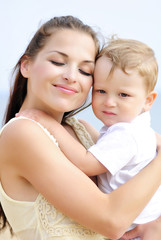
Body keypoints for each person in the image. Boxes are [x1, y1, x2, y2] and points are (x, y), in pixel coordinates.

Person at [1, 16, 161, 240]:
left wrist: (154, 223)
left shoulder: (82, 130)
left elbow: (137, 164)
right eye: (58, 62)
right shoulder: (23, 133)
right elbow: (112, 221)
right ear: (26, 65)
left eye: (85, 71)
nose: (71, 76)